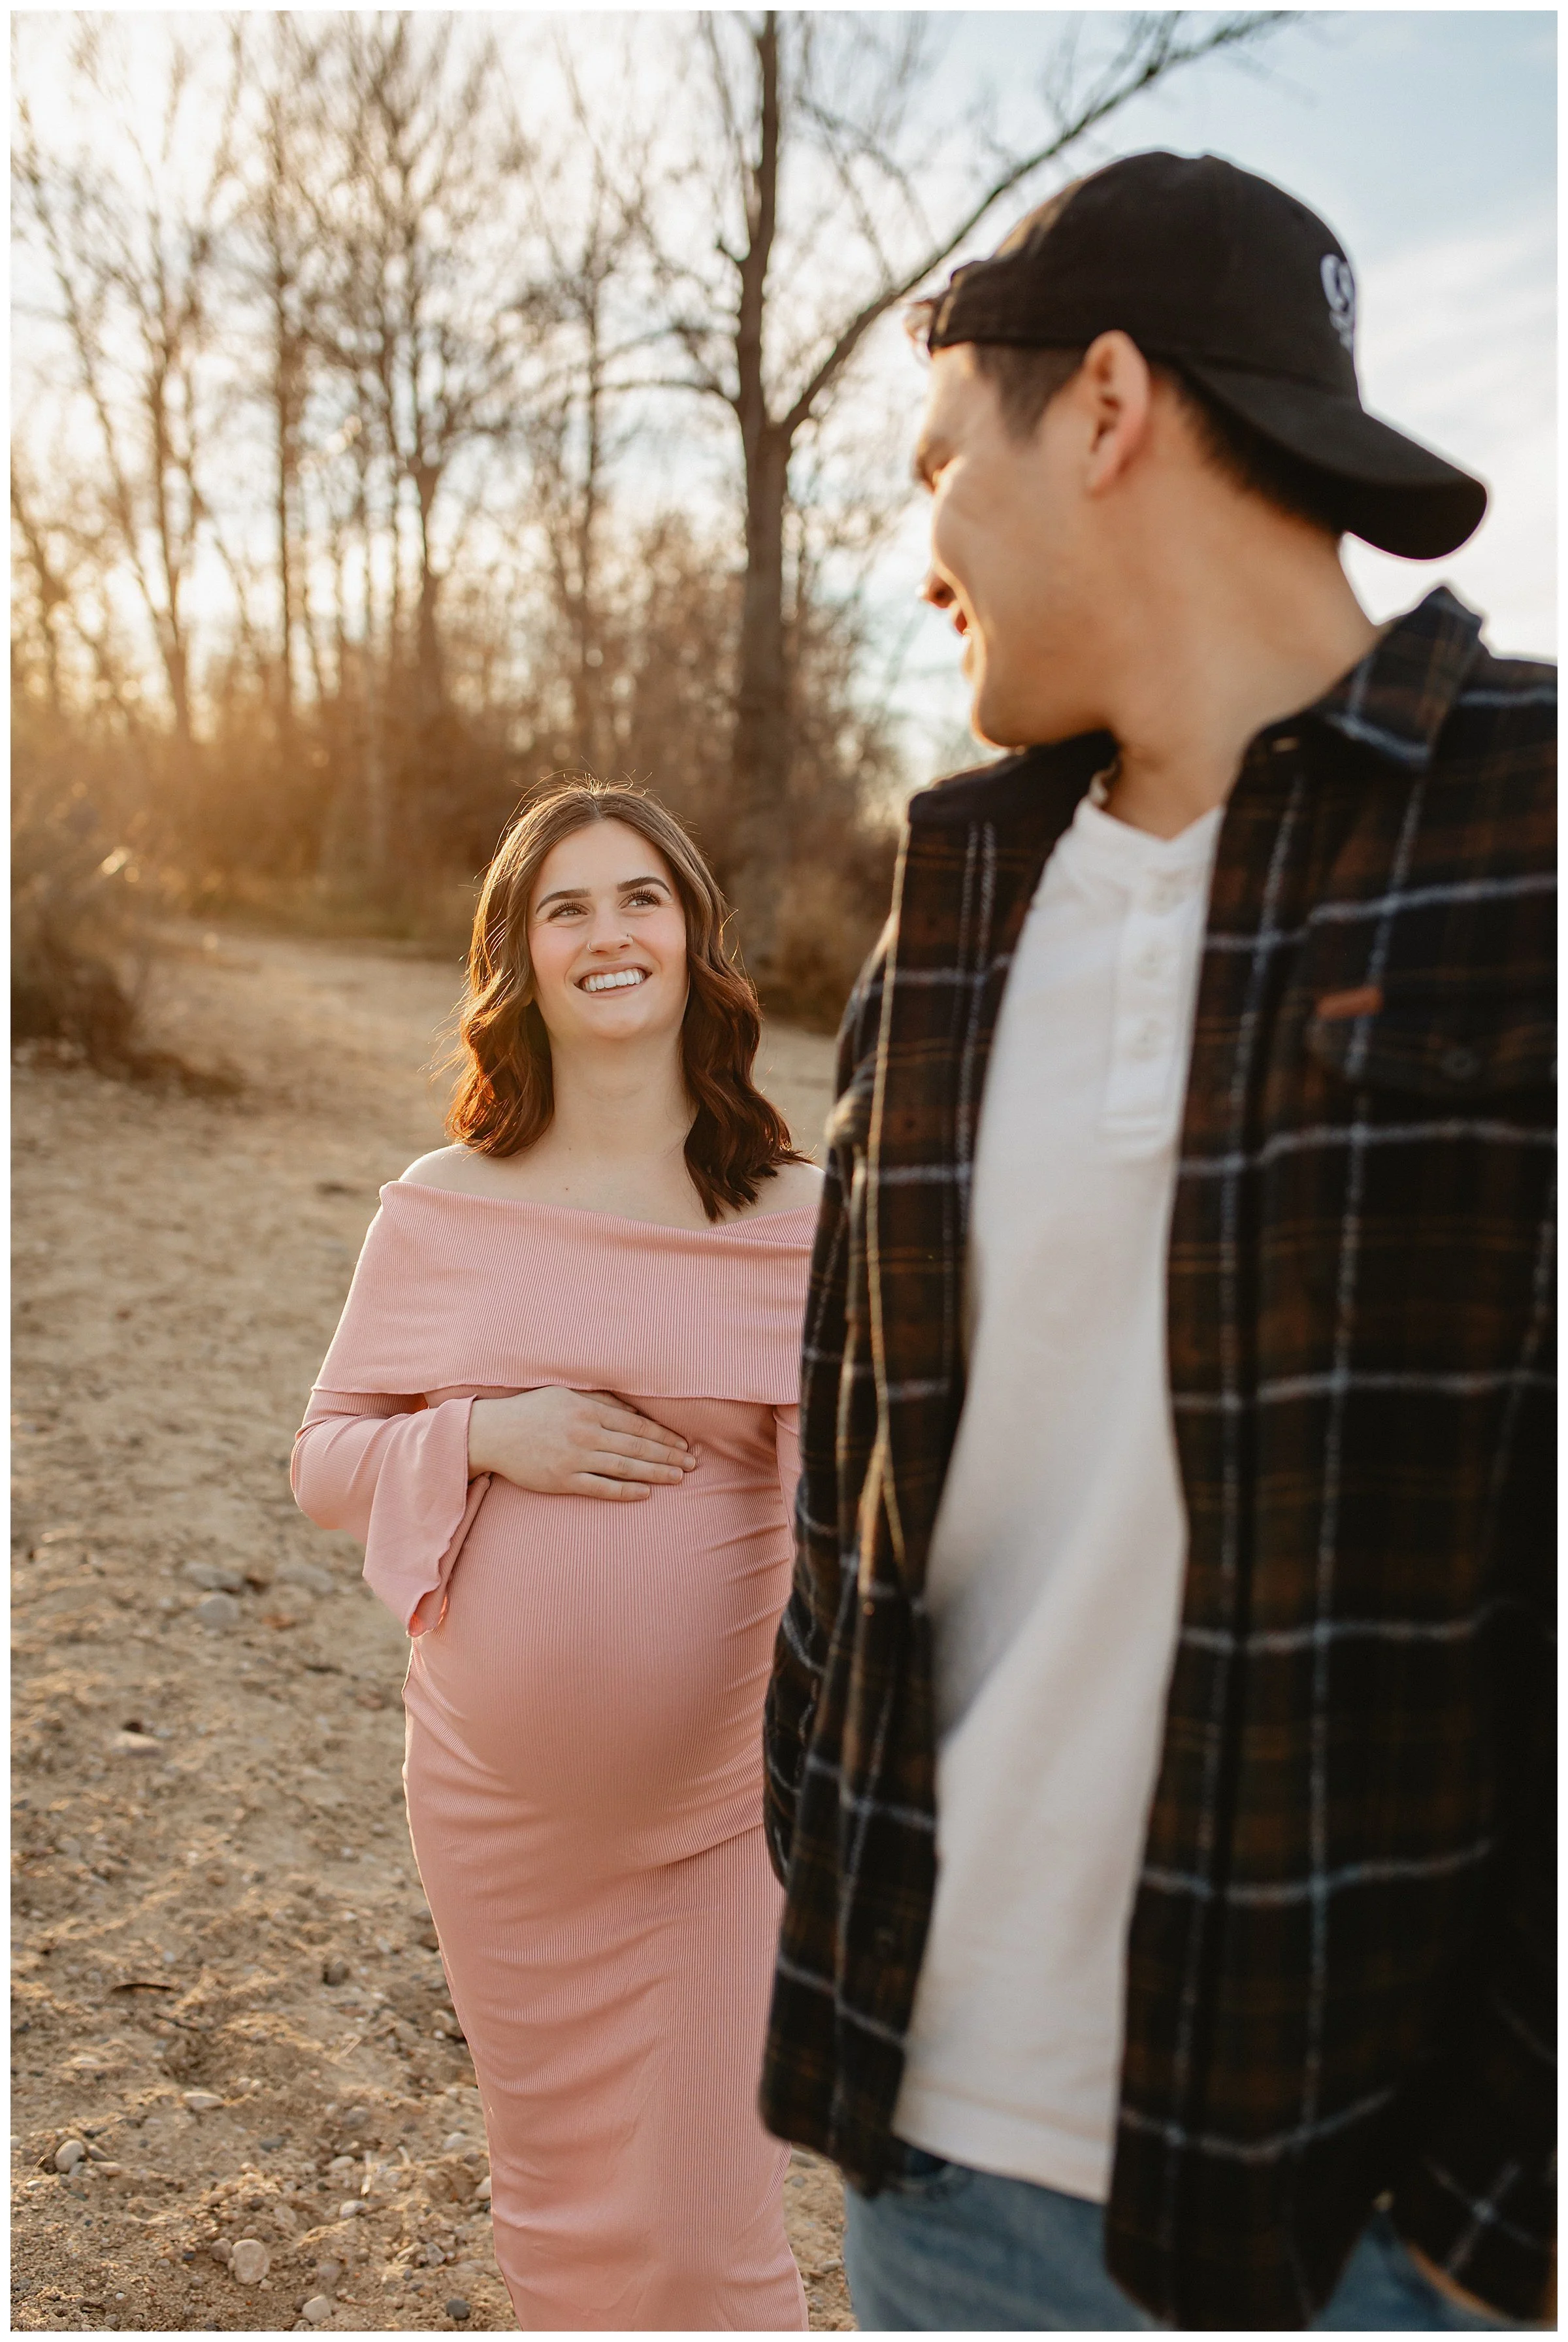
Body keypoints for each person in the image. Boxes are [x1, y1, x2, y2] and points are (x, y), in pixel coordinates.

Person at [760, 150, 1554, 2332]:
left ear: (1104, 405)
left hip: (1364, 2233)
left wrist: (1490, 2219)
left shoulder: (1538, 835)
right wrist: (826, 1865)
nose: (924, 545)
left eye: (941, 463)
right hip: (933, 2181)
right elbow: (855, 1510)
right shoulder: (948, 917)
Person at [292, 781, 821, 2330]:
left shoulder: (802, 1216)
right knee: (559, 2209)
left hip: (727, 1805)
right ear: (519, 956)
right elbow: (324, 1460)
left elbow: (856, 1523)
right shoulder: (443, 1208)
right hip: (497, 1814)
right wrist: (482, 1433)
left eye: (640, 896)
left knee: (709, 2230)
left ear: (694, 936)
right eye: (565, 906)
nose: (608, 931)